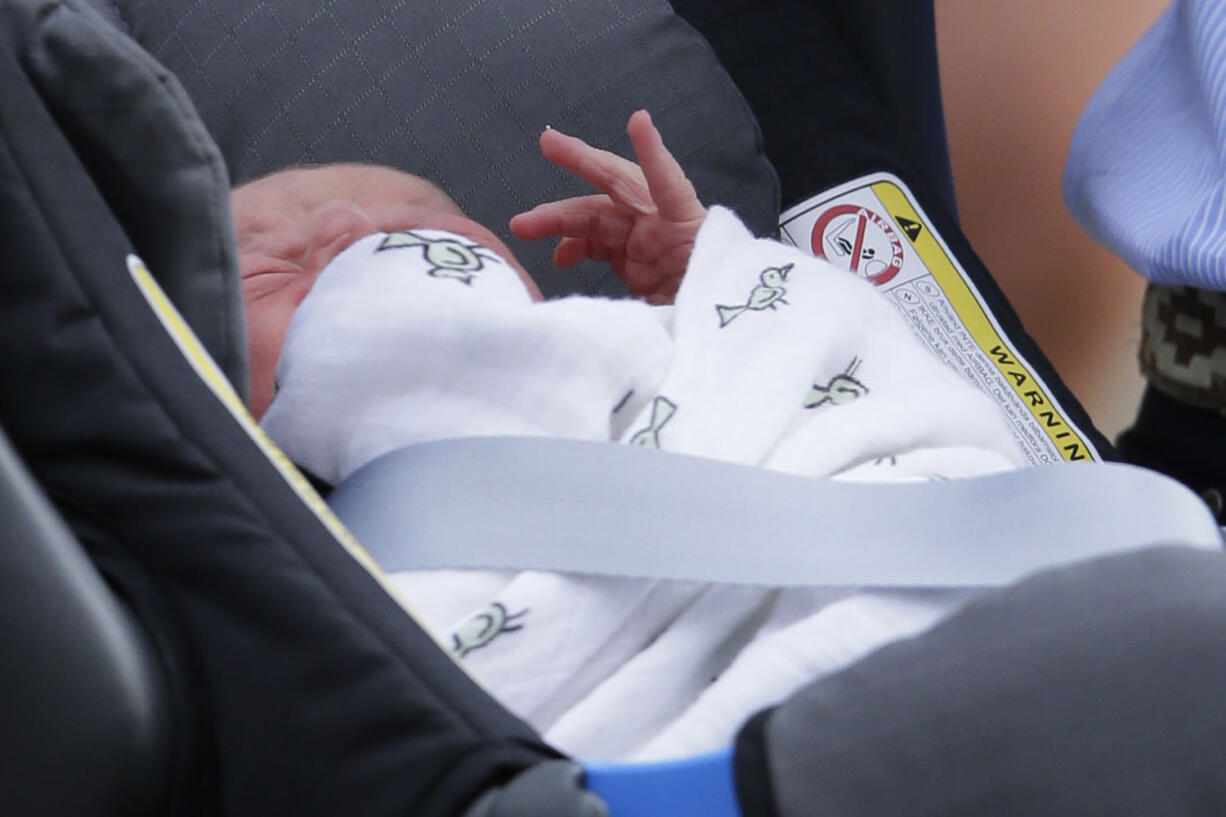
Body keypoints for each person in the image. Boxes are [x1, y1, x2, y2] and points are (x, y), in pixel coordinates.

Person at [235, 110, 1024, 761]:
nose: (353, 235)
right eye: (270, 266)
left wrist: (713, 277)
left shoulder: (673, 350)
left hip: (934, 586)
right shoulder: (252, 541)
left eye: (427, 230)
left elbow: (842, 351)